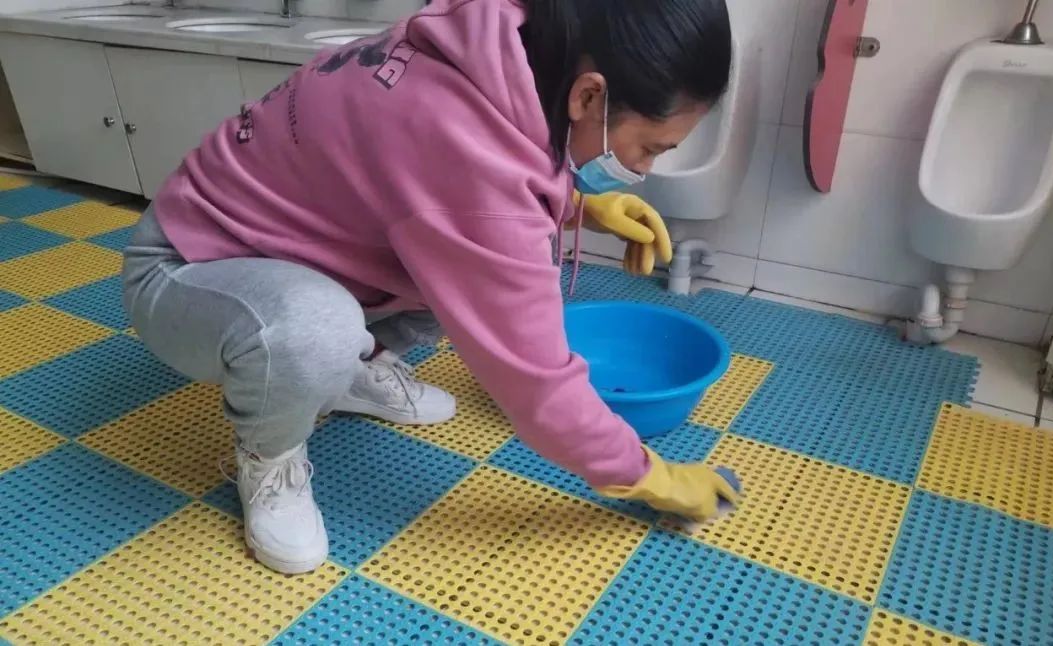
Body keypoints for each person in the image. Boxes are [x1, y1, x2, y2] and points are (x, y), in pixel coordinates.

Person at [122, 0, 741, 575]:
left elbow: (440, 181)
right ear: (589, 95)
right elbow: (538, 384)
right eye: (648, 148)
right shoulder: (463, 148)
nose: (642, 170)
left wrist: (581, 207)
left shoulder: (496, 41)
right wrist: (653, 477)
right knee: (324, 328)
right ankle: (269, 458)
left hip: (290, 246)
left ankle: (353, 370)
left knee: (472, 274)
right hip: (187, 268)